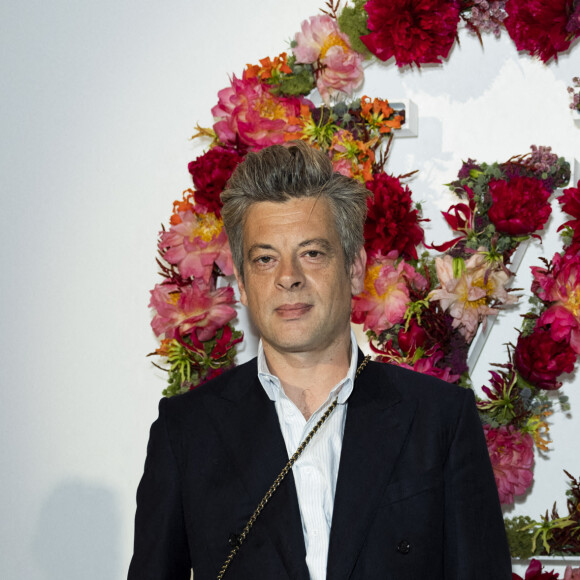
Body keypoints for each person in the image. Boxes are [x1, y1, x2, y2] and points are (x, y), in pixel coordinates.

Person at [128, 141, 512, 579]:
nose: (288, 277)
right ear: (244, 281)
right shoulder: (187, 432)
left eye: (312, 253)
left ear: (353, 268)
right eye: (265, 258)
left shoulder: (439, 419)